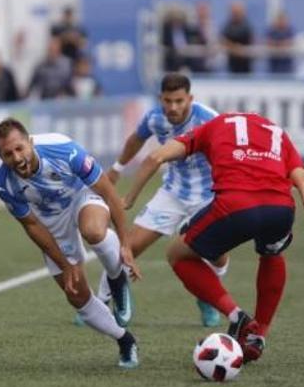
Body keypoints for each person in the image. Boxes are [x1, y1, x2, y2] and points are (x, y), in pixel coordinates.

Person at [124, 110, 304, 362]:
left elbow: (157, 157)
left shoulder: (212, 126)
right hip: (280, 210)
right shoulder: (277, 133)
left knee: (177, 254)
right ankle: (259, 336)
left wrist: (130, 197)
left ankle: (237, 317)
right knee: (272, 253)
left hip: (236, 205)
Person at [0, 118, 141, 369]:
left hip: (81, 195)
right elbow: (32, 226)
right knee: (75, 294)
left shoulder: (63, 148)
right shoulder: (2, 182)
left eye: (19, 149)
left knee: (93, 232)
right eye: (7, 154)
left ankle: (116, 278)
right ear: (0, 157)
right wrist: (66, 264)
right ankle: (125, 340)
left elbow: (109, 193)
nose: (16, 158)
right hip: (49, 219)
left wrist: (125, 244)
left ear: (30, 143)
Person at [96, 73, 228, 328]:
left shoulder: (210, 119)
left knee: (217, 256)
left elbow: (227, 152)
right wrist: (117, 167)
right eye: (168, 101)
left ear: (190, 98)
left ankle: (208, 300)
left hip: (208, 195)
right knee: (129, 247)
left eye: (179, 101)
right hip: (173, 192)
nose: (173, 107)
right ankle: (99, 303)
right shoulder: (155, 117)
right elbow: (136, 140)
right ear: (161, 99)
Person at [220, 1, 254, 75]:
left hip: (245, 63)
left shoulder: (247, 25)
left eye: (238, 12)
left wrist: (239, 49)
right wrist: (235, 48)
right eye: (234, 12)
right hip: (232, 62)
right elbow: (223, 40)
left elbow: (251, 41)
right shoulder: (228, 25)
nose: (236, 14)